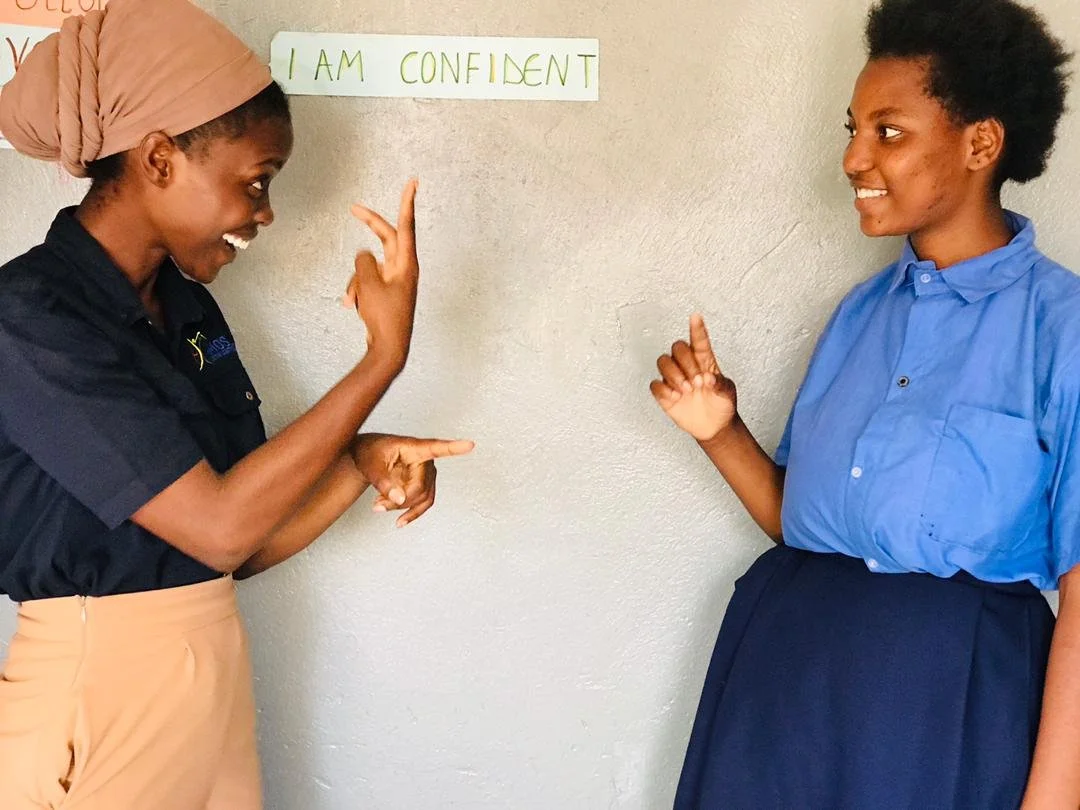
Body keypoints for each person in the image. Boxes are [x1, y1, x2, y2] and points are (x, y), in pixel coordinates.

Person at [0, 0, 472, 807]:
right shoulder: (31, 317)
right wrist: (381, 359)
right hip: (103, 693)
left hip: (208, 674)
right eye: (254, 183)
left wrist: (357, 464)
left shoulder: (184, 310)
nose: (263, 213)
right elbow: (218, 526)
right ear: (157, 160)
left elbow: (236, 546)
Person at [652, 0, 1080, 806]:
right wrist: (720, 431)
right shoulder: (859, 314)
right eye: (851, 129)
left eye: (888, 132)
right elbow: (802, 523)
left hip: (945, 710)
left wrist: (1054, 798)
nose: (853, 159)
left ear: (980, 144)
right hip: (783, 689)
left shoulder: (1063, 331)